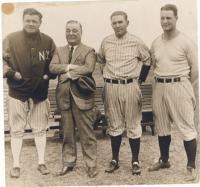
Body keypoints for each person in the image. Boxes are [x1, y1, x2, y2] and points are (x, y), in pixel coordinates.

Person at [3, 8, 56, 178]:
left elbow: (55, 63)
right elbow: (2, 61)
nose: (31, 23)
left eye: (34, 21)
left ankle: (41, 162)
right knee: (17, 130)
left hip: (40, 92)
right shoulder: (11, 39)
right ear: (23, 21)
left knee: (40, 129)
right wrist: (12, 73)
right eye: (28, 20)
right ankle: (16, 165)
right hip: (17, 91)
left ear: (40, 23)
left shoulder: (48, 41)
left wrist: (49, 74)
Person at [97, 11, 151, 175]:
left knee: (133, 124)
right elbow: (101, 61)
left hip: (130, 86)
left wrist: (140, 80)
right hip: (111, 86)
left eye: (121, 22)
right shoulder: (106, 41)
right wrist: (109, 77)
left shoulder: (136, 41)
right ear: (111, 24)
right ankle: (115, 160)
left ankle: (135, 161)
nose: (118, 25)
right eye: (114, 23)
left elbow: (147, 60)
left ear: (127, 22)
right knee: (114, 124)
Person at [149, 4, 198, 181]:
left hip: (179, 85)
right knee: (162, 126)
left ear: (176, 18)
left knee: (187, 128)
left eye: (169, 18)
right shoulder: (155, 42)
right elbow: (155, 66)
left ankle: (191, 166)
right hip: (160, 86)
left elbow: (195, 70)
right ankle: (164, 159)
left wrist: (186, 89)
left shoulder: (186, 41)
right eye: (162, 18)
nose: (165, 21)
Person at [49, 20, 98, 178]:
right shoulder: (59, 50)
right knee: (67, 133)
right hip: (64, 98)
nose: (71, 33)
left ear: (81, 32)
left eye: (75, 30)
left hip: (82, 98)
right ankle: (68, 163)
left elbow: (89, 68)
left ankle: (91, 165)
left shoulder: (89, 50)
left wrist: (68, 74)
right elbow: (52, 67)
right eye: (68, 30)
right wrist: (71, 66)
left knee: (87, 134)